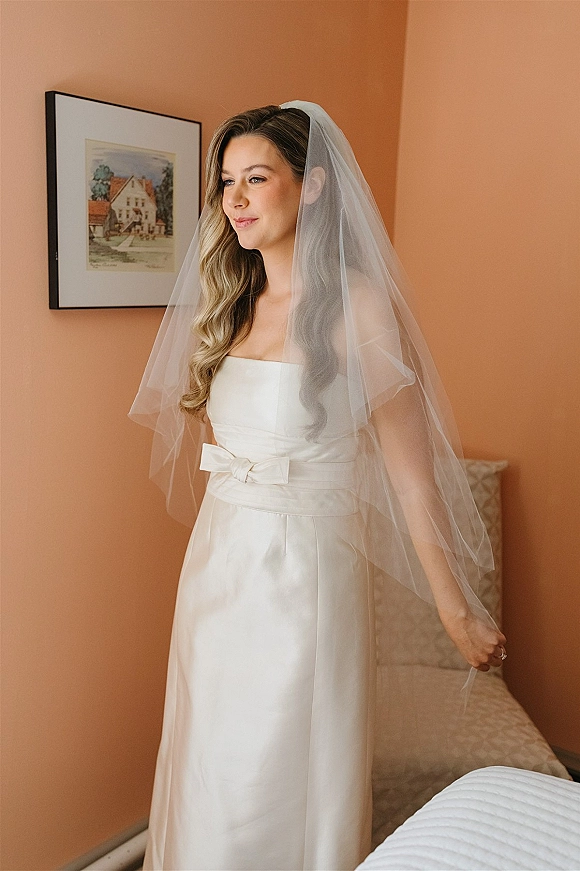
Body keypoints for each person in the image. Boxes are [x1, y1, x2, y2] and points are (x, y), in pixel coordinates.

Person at [129, 101, 507, 871]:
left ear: (313, 186)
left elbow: (410, 477)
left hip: (304, 579)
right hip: (214, 574)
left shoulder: (358, 308)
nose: (234, 198)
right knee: (210, 762)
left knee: (280, 769)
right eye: (227, 181)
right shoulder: (228, 303)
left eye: (257, 177)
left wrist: (455, 610)